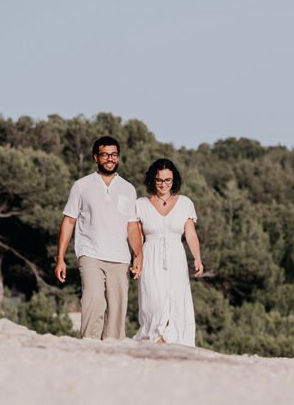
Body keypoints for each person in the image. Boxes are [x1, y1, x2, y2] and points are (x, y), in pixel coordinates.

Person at [55, 135, 143, 340]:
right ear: (96, 157)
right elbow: (68, 221)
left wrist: (138, 255)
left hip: (120, 258)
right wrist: (60, 258)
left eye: (114, 155)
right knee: (93, 302)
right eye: (105, 155)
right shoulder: (81, 186)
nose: (110, 159)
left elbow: (132, 227)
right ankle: (88, 349)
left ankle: (112, 354)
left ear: (118, 157)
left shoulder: (128, 189)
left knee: (116, 313)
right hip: (90, 254)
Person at [133, 158, 204, 346]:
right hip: (150, 257)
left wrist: (197, 258)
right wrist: (136, 259)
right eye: (159, 180)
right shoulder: (140, 204)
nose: (163, 184)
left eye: (167, 180)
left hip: (176, 258)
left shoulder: (185, 203)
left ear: (174, 180)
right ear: (152, 180)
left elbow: (190, 234)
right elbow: (137, 236)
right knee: (153, 300)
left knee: (175, 301)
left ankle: (174, 341)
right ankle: (154, 339)